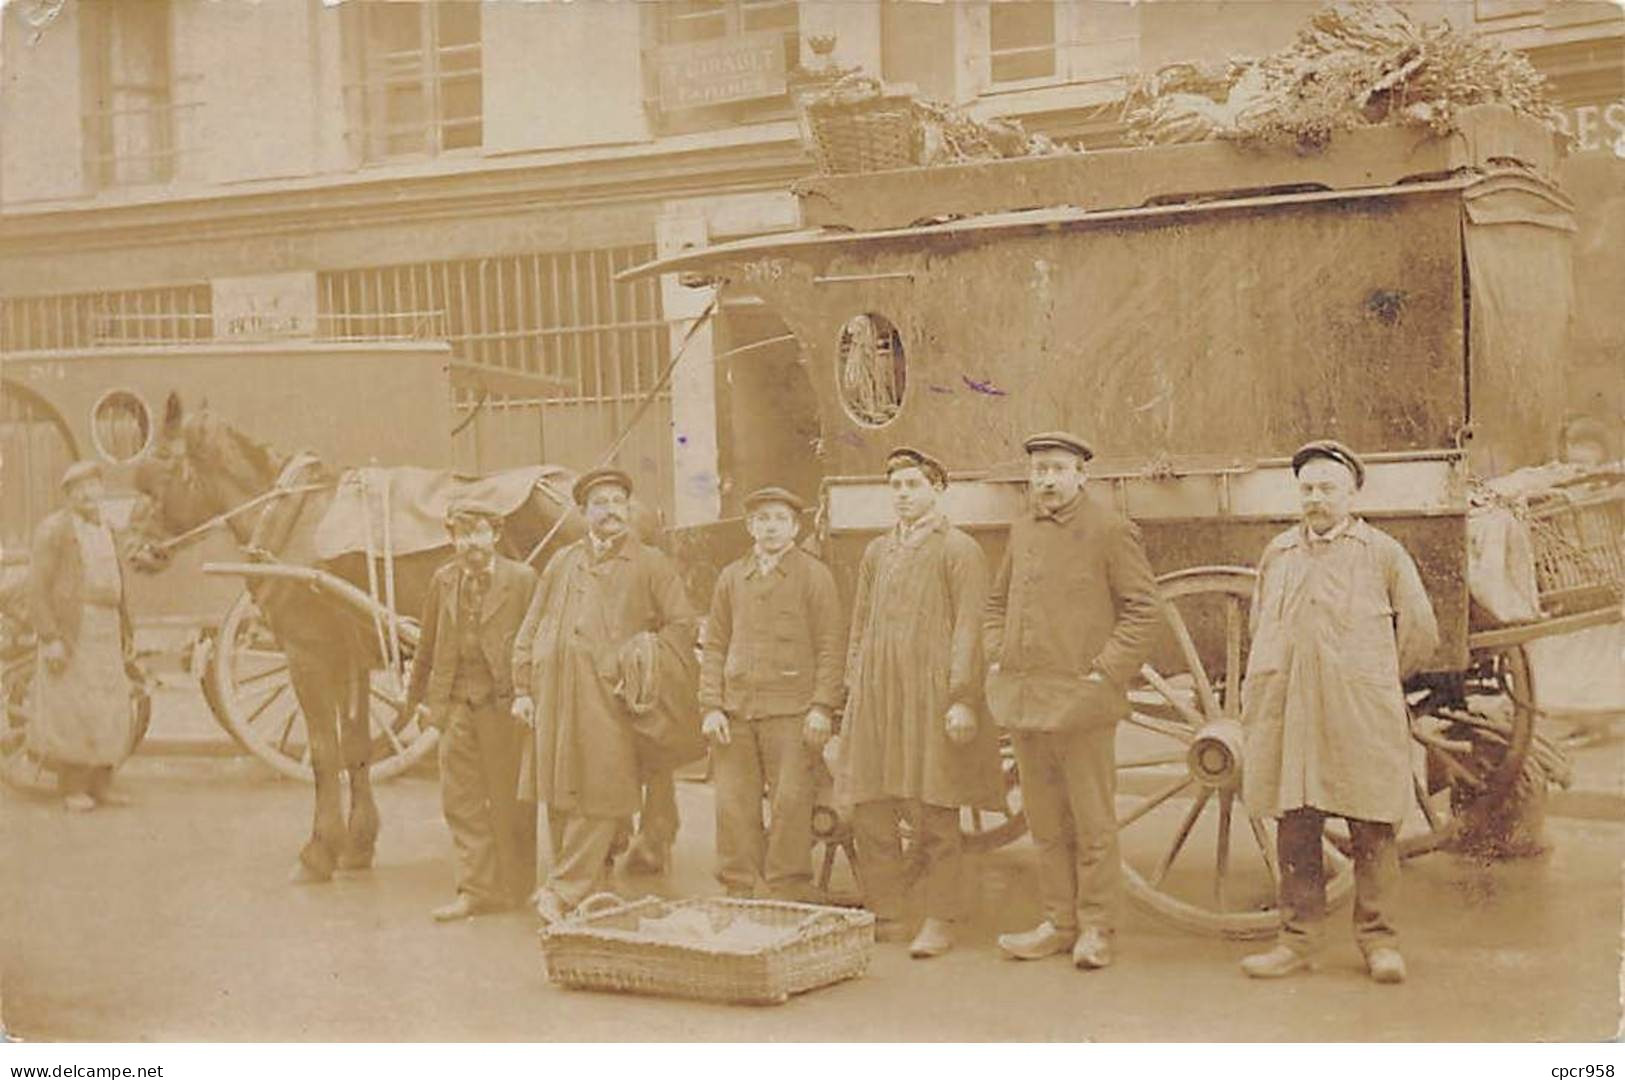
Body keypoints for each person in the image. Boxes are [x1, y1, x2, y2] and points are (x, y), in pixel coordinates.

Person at [1238, 439, 1439, 984]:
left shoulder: (1382, 553)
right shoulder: (1279, 553)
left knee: (1371, 823)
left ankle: (1379, 943)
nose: (1316, 499)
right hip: (1293, 711)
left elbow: (1420, 632)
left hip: (1360, 710)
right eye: (1307, 489)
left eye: (1327, 488)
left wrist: (1370, 681)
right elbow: (1262, 626)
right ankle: (1296, 941)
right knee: (1296, 825)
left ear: (1351, 494)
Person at [984, 431, 1160, 970]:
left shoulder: (1109, 530)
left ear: (1082, 475)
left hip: (1082, 705)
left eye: (1058, 469)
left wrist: (1102, 674)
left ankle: (1097, 929)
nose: (1047, 480)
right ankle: (1059, 924)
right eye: (1039, 470)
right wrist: (997, 654)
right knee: (1046, 823)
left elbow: (1143, 610)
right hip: (1026, 702)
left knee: (1092, 822)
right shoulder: (1024, 529)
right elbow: (996, 603)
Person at [834, 447, 1005, 959]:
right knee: (870, 803)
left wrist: (961, 698)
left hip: (931, 694)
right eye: (898, 486)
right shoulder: (877, 552)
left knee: (935, 808)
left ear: (937, 490)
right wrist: (853, 688)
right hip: (878, 693)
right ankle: (887, 911)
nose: (904, 495)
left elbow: (970, 629)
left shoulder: (959, 550)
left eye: (914, 485)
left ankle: (940, 916)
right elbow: (860, 624)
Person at [513, 467, 697, 924]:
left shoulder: (650, 563)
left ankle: (563, 890)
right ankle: (590, 890)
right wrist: (522, 684)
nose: (611, 511)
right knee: (559, 789)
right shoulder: (562, 563)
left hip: (608, 698)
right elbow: (531, 625)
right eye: (600, 503)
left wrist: (641, 656)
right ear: (583, 513)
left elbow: (681, 624)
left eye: (619, 502)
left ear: (629, 510)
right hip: (554, 694)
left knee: (603, 790)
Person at [699, 486, 843, 901]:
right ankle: (739, 887)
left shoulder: (814, 576)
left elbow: (831, 646)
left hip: (792, 710)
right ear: (749, 526)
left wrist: (821, 707)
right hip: (736, 711)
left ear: (795, 527)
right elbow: (714, 646)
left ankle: (787, 887)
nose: (771, 527)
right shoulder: (731, 577)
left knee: (791, 803)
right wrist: (711, 706)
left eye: (780, 519)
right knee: (732, 804)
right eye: (762, 519)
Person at [404, 502, 538, 921]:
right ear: (452, 540)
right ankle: (476, 890)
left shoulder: (522, 580)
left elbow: (537, 639)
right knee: (459, 799)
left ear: (495, 535)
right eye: (462, 536)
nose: (471, 544)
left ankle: (518, 888)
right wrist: (421, 700)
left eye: (479, 533)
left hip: (505, 703)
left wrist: (530, 693)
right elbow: (427, 644)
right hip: (456, 702)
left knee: (510, 799)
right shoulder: (444, 581)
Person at [27, 461, 140, 813]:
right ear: (69, 496)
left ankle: (102, 784)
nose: (89, 495)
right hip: (73, 628)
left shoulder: (107, 528)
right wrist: (51, 637)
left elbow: (120, 586)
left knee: (108, 707)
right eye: (81, 490)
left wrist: (126, 629)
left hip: (106, 628)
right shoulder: (54, 530)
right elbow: (37, 588)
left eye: (94, 487)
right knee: (73, 709)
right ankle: (73, 787)